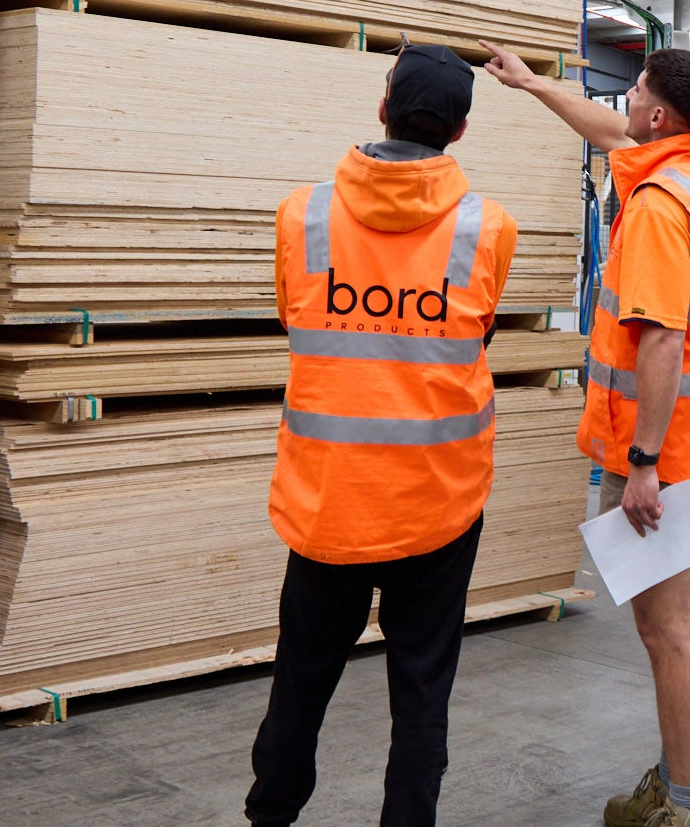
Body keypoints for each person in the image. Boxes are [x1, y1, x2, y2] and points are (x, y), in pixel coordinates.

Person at [480, 40, 690, 827]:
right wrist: (532, 85)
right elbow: (607, 130)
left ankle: (686, 809)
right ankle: (673, 785)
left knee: (669, 632)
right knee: (660, 625)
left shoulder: (663, 210)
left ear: (659, 113)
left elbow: (663, 341)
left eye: (635, 88)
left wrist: (643, 464)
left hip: (663, 459)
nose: (625, 97)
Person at [247, 44, 518, 827]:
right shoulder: (488, 227)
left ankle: (269, 816)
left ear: (382, 107)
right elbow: (477, 337)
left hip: (327, 496)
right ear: (460, 131)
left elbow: (295, 321)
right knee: (422, 689)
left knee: (300, 677)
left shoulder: (301, 214)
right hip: (437, 502)